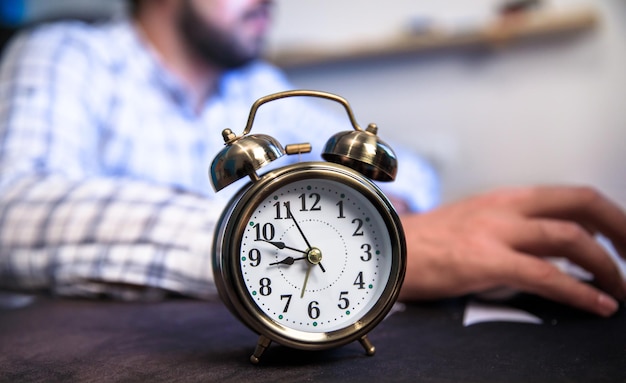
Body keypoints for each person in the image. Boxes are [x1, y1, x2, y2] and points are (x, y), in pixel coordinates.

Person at [0, 0, 624, 318]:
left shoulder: (257, 87)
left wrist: (392, 219)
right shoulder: (65, 54)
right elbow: (14, 210)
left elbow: (412, 172)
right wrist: (360, 255)